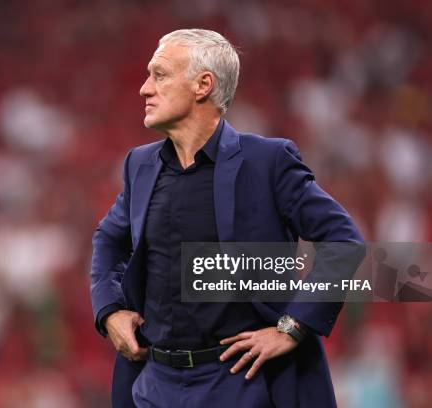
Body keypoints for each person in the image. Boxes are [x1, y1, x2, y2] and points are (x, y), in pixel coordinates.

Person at [90, 29, 364, 408]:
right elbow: (109, 239)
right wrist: (110, 311)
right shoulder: (140, 165)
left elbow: (343, 242)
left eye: (160, 74)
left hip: (241, 383)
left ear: (204, 85)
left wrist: (293, 327)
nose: (144, 88)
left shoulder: (268, 162)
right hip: (154, 383)